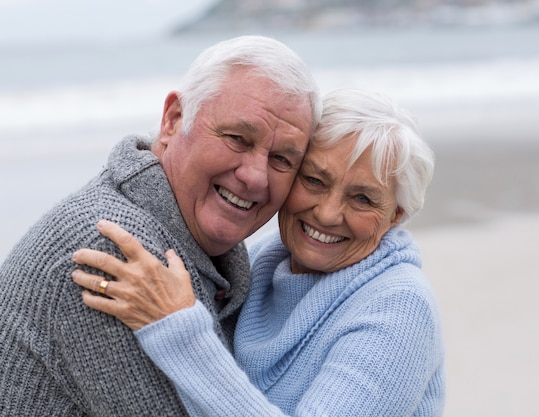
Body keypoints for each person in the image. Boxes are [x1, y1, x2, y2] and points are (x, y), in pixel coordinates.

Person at [72, 88, 446, 416]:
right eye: (315, 180)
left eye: (362, 198)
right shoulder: (265, 259)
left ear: (396, 215)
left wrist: (180, 329)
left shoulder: (398, 307)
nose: (328, 213)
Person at [0, 35, 321, 416]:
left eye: (282, 159)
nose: (255, 177)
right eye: (237, 138)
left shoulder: (198, 248)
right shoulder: (116, 251)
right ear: (173, 120)